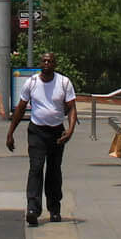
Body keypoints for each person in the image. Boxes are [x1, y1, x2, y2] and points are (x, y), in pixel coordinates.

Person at [8, 51, 78, 227]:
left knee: (54, 171)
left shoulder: (64, 82)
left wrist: (70, 131)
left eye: (50, 61)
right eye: (44, 61)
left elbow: (71, 108)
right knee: (36, 168)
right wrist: (10, 133)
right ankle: (33, 208)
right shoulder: (31, 82)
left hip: (57, 133)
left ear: (55, 64)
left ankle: (54, 209)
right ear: (41, 63)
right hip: (37, 131)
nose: (47, 63)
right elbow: (21, 108)